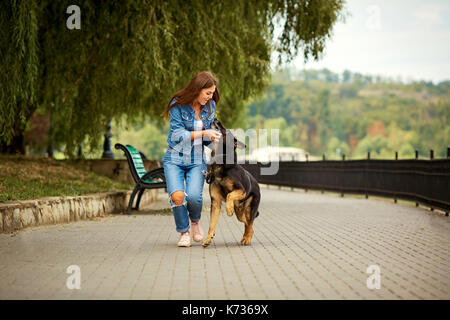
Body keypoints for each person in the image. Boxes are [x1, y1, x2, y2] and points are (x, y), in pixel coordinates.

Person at [161, 71, 222, 247]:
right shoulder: (178, 104)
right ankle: (184, 232)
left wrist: (212, 139)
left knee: (194, 197)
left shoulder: (209, 107)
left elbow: (203, 139)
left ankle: (195, 221)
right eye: (208, 93)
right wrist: (204, 132)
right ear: (197, 89)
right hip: (174, 159)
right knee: (178, 196)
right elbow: (178, 135)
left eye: (212, 94)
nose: (210, 97)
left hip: (196, 160)